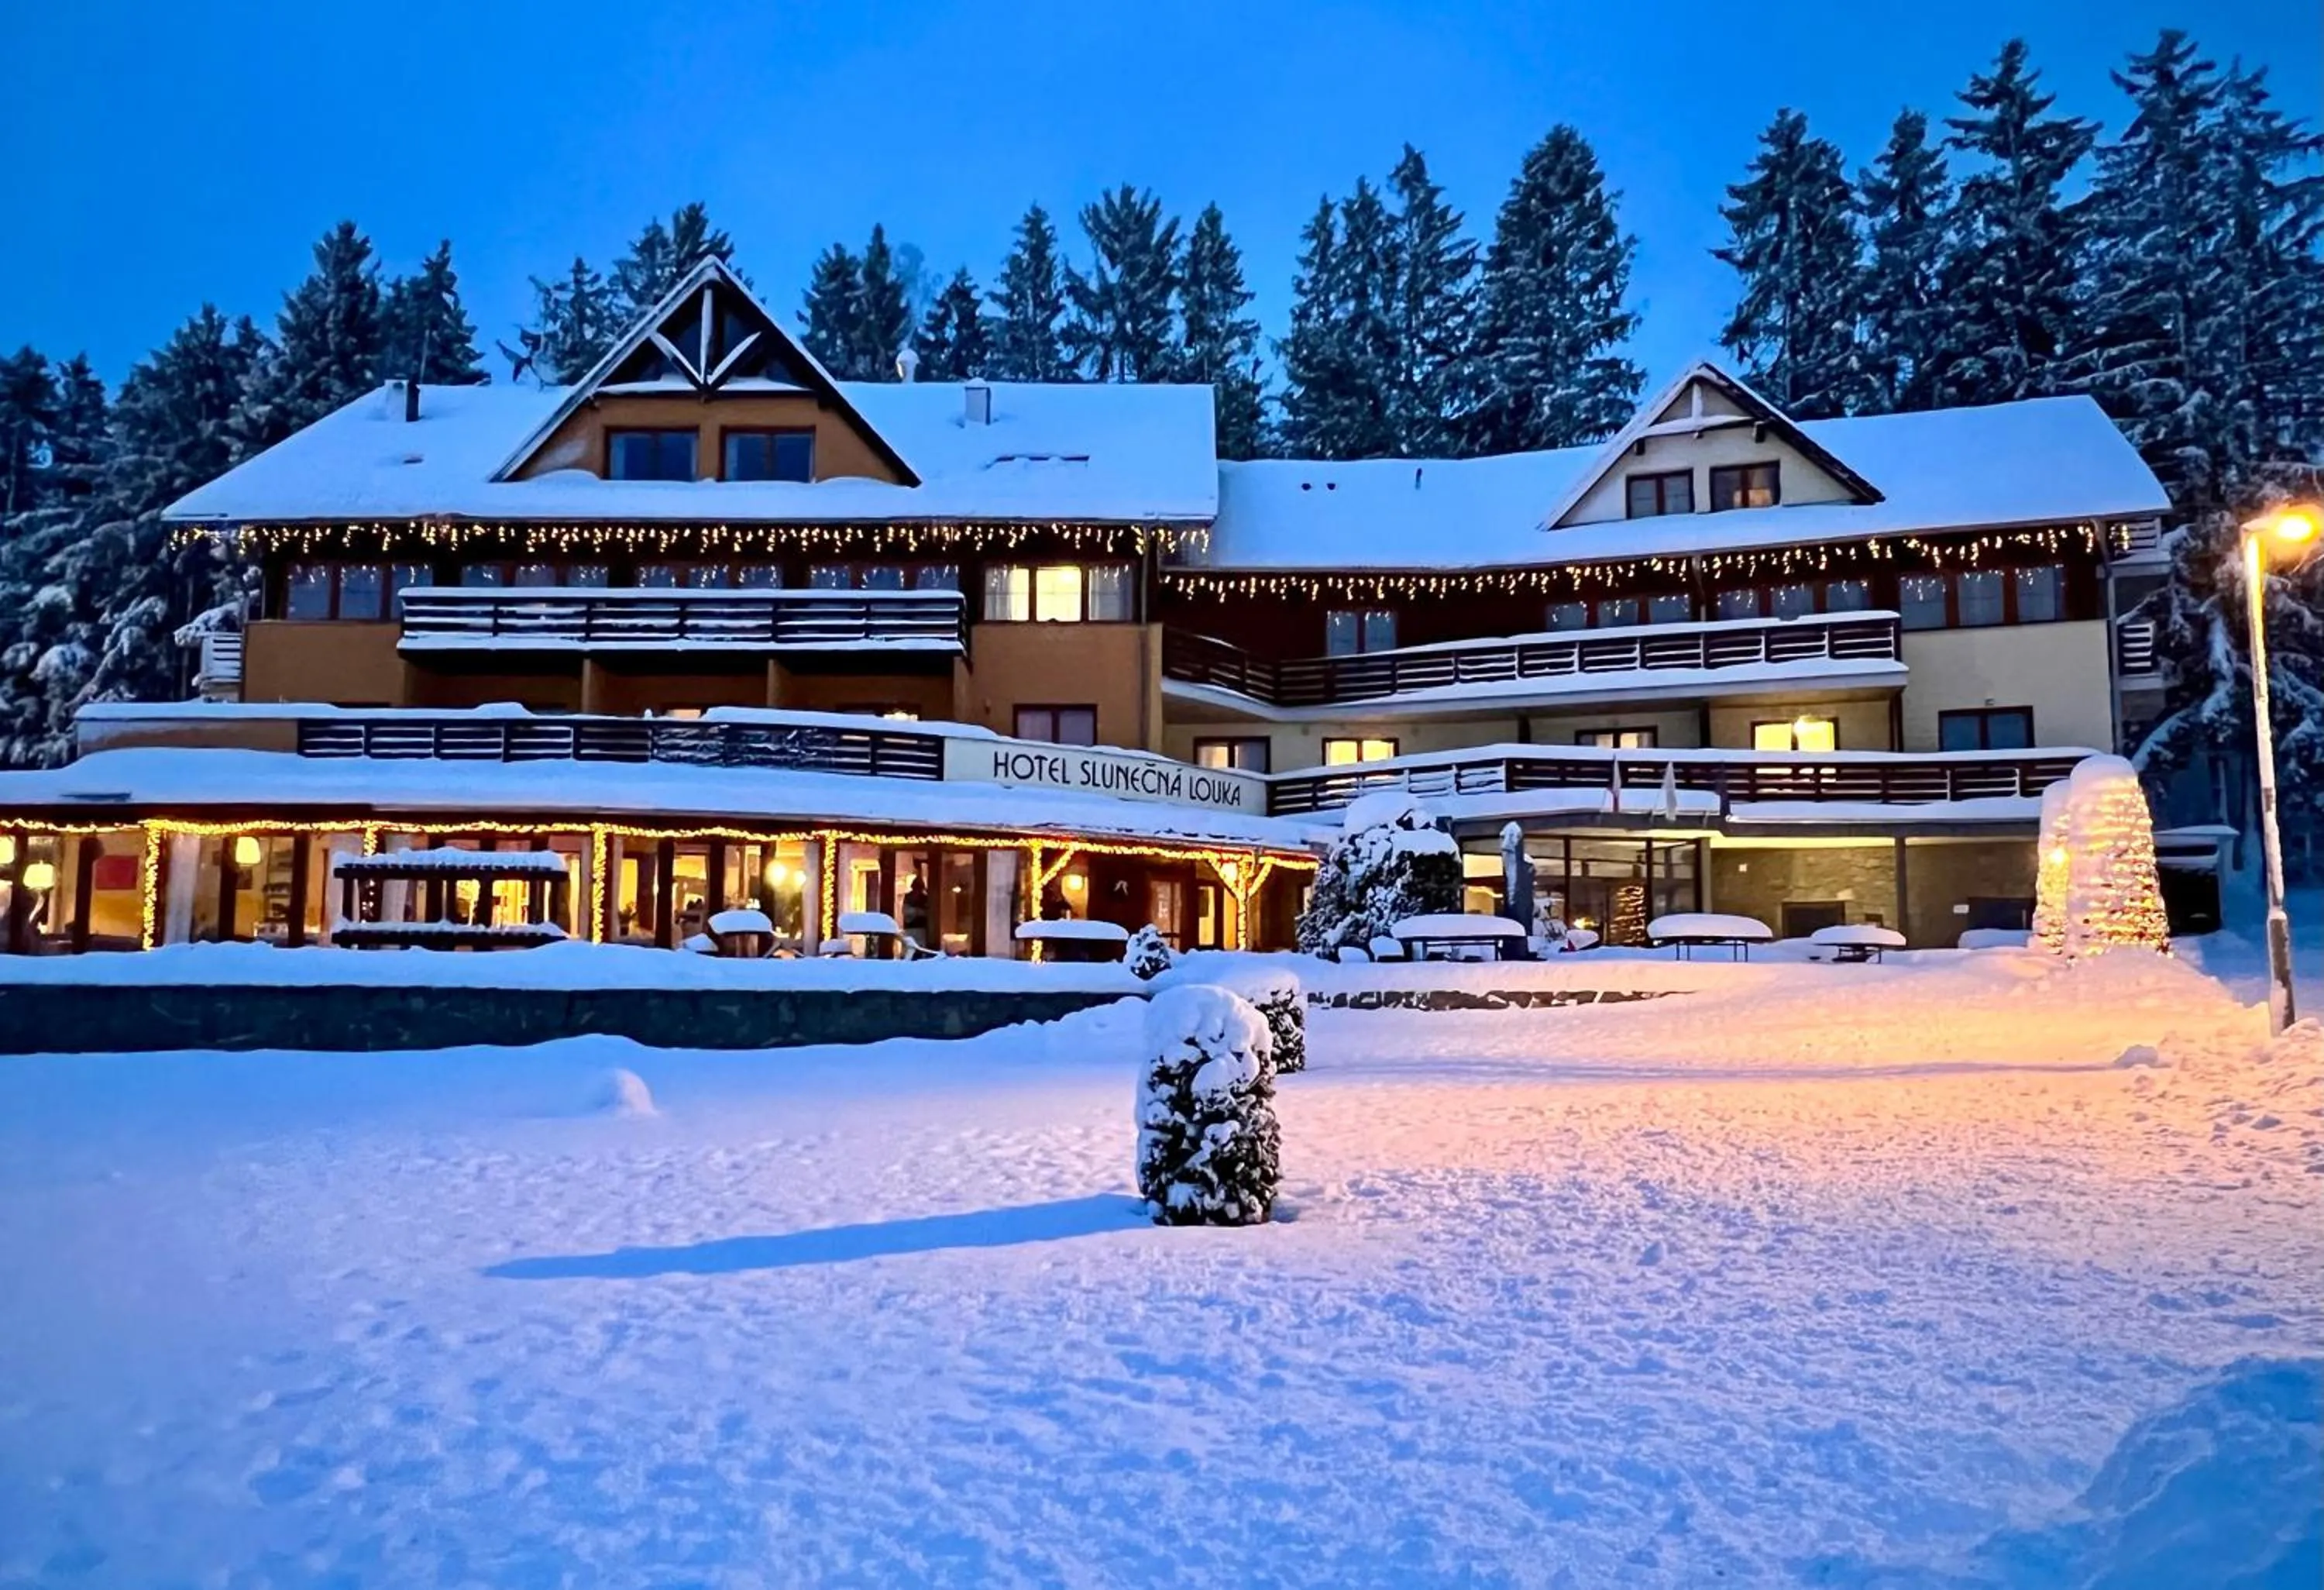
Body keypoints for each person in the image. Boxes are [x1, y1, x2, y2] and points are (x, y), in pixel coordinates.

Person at [901, 872, 930, 946]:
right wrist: (919, 912)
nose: (917, 891)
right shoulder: (909, 897)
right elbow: (906, 911)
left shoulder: (924, 898)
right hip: (912, 929)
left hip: (921, 929)